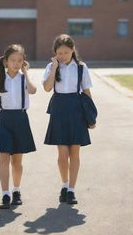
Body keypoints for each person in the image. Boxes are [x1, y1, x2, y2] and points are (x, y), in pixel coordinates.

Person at [42, 34, 95, 205]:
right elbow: (47, 88)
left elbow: (86, 92)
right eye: (59, 52)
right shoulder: (51, 66)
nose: (63, 55)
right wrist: (55, 68)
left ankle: (71, 190)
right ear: (55, 53)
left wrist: (91, 117)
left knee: (75, 153)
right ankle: (64, 185)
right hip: (59, 109)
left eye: (66, 52)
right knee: (62, 155)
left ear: (73, 50)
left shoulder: (81, 67)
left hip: (77, 110)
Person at [0, 44, 37, 209]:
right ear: (6, 62)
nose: (16, 63)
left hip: (21, 119)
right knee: (4, 158)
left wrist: (26, 73)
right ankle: (5, 194)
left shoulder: (24, 80)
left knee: (17, 161)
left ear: (24, 62)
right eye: (13, 60)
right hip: (4, 120)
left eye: (20, 60)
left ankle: (16, 191)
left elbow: (33, 90)